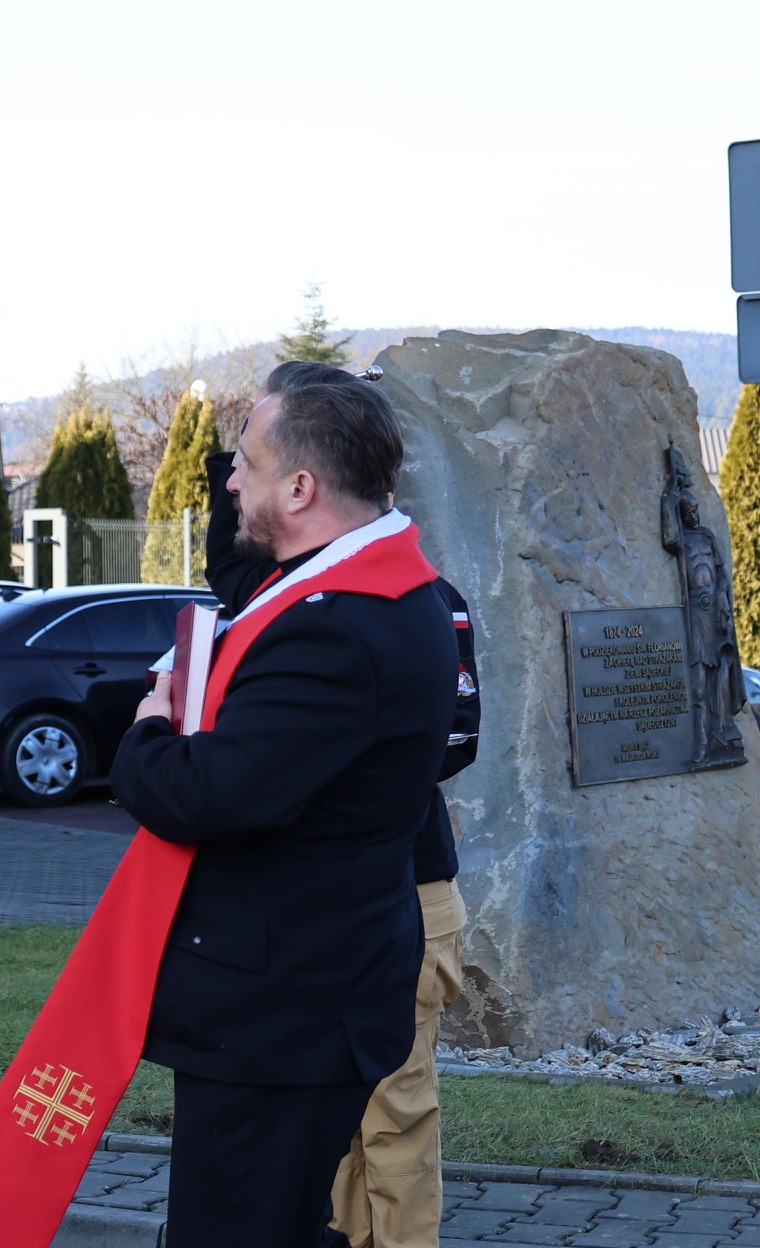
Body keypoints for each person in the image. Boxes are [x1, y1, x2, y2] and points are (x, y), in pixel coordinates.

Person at [109, 361, 457, 1248]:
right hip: (296, 1000)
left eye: (247, 466)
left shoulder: (336, 624)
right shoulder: (361, 588)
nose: (230, 482)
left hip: (283, 1013)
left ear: (301, 489)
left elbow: (208, 793)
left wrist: (148, 733)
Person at [196, 366, 483, 1248]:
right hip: (314, 924)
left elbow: (454, 739)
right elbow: (232, 567)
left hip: (406, 890)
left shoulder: (412, 599)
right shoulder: (283, 595)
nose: (237, 483)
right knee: (312, 1159)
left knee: (392, 1119)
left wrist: (324, 762)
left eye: (253, 464)